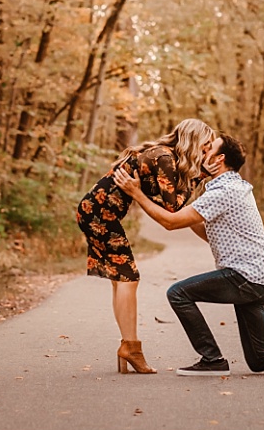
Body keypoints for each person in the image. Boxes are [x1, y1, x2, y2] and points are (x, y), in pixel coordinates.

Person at [113, 131, 264, 376]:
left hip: (245, 279)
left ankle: (212, 359)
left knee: (178, 293)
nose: (203, 152)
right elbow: (208, 233)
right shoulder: (232, 187)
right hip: (259, 281)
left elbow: (170, 223)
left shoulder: (223, 191)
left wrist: (136, 193)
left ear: (219, 159)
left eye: (209, 149)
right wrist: (180, 208)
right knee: (260, 359)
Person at [77, 118, 215, 374]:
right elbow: (173, 207)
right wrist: (202, 175)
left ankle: (128, 347)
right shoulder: (165, 158)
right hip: (99, 213)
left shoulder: (165, 157)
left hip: (96, 211)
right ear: (193, 141)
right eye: (205, 145)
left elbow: (166, 204)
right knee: (128, 279)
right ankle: (131, 348)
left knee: (122, 279)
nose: (207, 152)